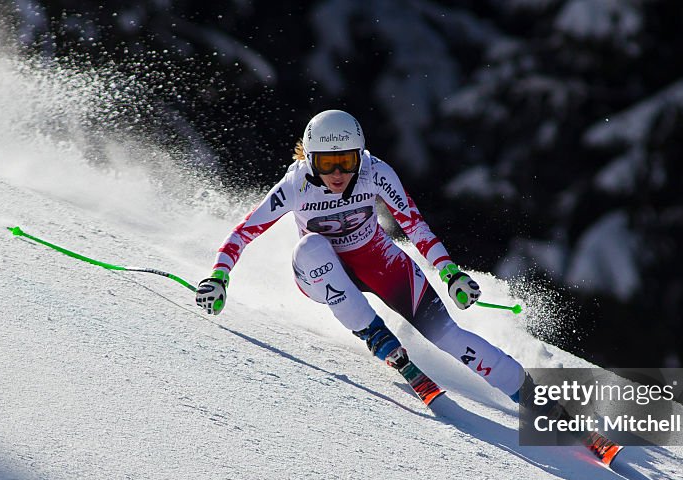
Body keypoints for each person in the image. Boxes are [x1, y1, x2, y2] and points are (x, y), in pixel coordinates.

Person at [195, 109, 526, 401]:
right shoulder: (294, 185)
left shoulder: (376, 172)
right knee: (311, 247)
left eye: (348, 161)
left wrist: (450, 273)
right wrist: (219, 276)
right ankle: (377, 337)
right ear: (309, 160)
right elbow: (243, 232)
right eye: (327, 163)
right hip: (320, 273)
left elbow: (415, 225)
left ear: (361, 156)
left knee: (447, 335)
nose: (338, 173)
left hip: (377, 262)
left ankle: (534, 396)